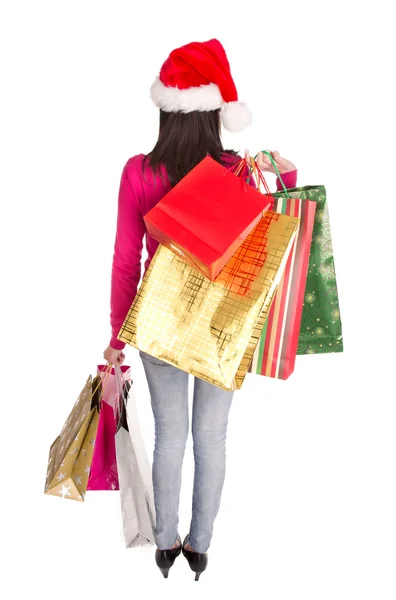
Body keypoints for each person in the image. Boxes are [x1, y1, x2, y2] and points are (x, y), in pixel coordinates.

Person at [103, 38, 297, 580]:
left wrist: (119, 334)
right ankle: (200, 546)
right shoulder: (239, 171)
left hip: (161, 326)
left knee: (171, 434)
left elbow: (125, 260)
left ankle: (165, 543)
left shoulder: (138, 172)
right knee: (211, 436)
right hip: (221, 327)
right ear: (216, 113)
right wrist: (285, 174)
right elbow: (281, 221)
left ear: (165, 111)